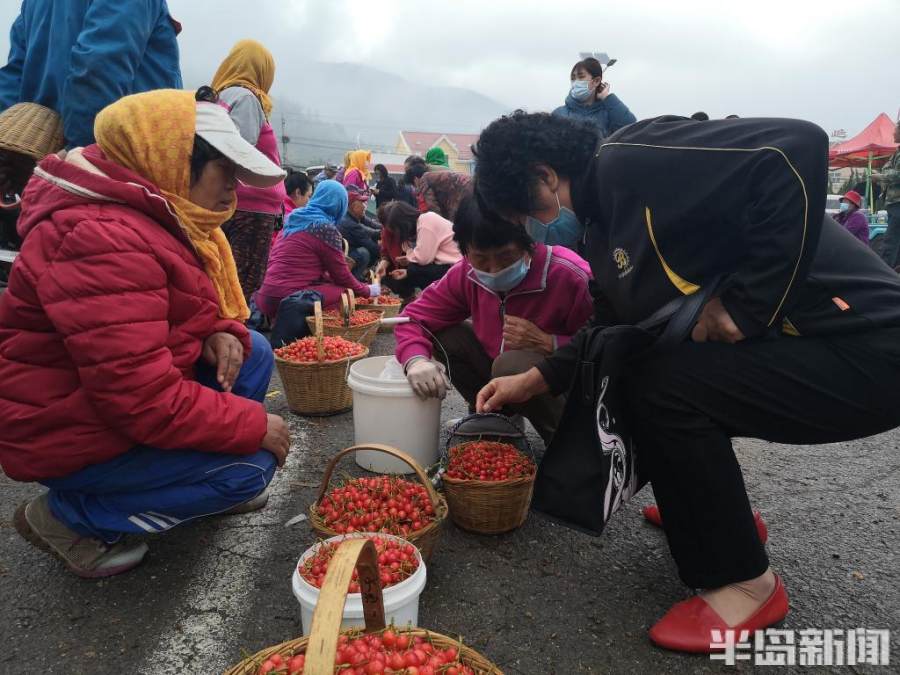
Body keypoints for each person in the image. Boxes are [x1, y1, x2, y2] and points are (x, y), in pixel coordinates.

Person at [470, 111, 900, 653]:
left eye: (523, 212)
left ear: (545, 176)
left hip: (869, 344)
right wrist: (535, 378)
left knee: (661, 385)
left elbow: (797, 145)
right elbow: (613, 329)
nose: (531, 226)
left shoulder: (633, 159)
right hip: (816, 347)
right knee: (638, 364)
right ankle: (713, 515)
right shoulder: (603, 228)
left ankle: (746, 581)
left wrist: (749, 305)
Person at [0, 88, 292, 578]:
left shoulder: (154, 213)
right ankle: (70, 516)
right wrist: (250, 426)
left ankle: (179, 483)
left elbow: (175, 308)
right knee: (249, 469)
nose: (234, 192)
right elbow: (139, 398)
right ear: (172, 160)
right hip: (68, 430)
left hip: (97, 409)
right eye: (225, 172)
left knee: (254, 350)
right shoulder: (100, 237)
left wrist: (218, 330)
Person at [395, 196, 593, 443]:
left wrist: (552, 343)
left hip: (563, 385)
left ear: (529, 241)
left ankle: (570, 442)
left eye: (506, 257)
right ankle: (498, 417)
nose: (493, 269)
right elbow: (413, 317)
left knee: (510, 364)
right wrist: (415, 360)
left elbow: (606, 339)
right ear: (465, 250)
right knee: (447, 335)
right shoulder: (465, 274)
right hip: (500, 376)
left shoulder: (569, 275)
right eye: (481, 259)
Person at [0, 0, 182, 149]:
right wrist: (82, 156)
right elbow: (97, 68)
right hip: (122, 161)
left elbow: (11, 84)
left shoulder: (33, 5)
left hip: (47, 162)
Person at [212, 40, 288, 306]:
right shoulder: (245, 98)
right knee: (241, 284)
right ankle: (233, 338)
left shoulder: (221, 97)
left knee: (228, 280)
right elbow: (237, 152)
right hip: (250, 210)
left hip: (240, 207)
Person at [255, 180, 379, 318]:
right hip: (288, 299)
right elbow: (341, 275)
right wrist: (367, 290)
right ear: (340, 205)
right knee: (345, 294)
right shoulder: (324, 227)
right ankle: (305, 331)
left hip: (264, 295)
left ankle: (279, 322)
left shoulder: (293, 217)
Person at [376, 201, 461, 298]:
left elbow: (423, 259)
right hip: (448, 265)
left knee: (414, 270)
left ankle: (435, 297)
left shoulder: (426, 222)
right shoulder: (423, 221)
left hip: (454, 267)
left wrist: (409, 254)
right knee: (410, 272)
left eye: (396, 229)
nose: (396, 233)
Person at [552, 57, 635, 139]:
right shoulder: (559, 113)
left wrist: (607, 98)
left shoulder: (608, 113)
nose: (576, 82)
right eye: (573, 78)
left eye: (581, 77)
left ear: (596, 81)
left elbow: (631, 127)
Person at [872, 122, 900, 267]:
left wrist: (881, 177)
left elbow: (897, 174)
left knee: (890, 242)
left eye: (896, 130)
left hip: (898, 205)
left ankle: (884, 275)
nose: (893, 133)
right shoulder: (897, 152)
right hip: (893, 204)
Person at [407, 161, 473, 222]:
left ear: (415, 179)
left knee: (455, 224)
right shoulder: (431, 175)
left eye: (414, 185)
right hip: (470, 184)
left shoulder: (424, 180)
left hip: (463, 192)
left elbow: (433, 208)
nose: (415, 188)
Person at [339, 185, 381, 280]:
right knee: (364, 253)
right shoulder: (349, 223)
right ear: (353, 206)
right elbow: (370, 241)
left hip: (349, 248)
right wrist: (386, 255)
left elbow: (372, 224)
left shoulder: (354, 214)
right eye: (362, 202)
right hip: (344, 254)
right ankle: (355, 278)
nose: (365, 205)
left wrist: (385, 228)